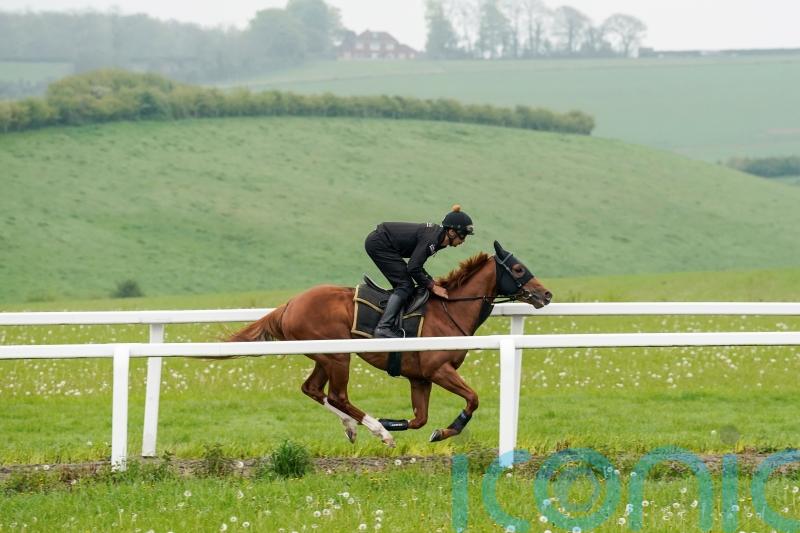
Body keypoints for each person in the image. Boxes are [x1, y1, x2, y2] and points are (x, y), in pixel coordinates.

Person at [364, 205, 474, 338]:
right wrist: (432, 286)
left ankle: (395, 322)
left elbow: (416, 265)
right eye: (463, 236)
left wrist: (431, 281)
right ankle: (383, 327)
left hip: (384, 242)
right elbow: (413, 268)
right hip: (380, 244)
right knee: (405, 285)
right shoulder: (432, 240)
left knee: (407, 285)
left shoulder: (438, 239)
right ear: (451, 232)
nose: (463, 240)